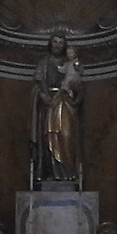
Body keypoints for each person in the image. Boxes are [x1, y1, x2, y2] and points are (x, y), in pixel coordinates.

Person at [34, 30, 83, 184]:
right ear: (50, 44)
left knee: (66, 136)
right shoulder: (43, 63)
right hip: (48, 104)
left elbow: (79, 85)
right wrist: (42, 95)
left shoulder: (69, 62)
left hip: (65, 103)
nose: (57, 45)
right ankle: (50, 172)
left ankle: (68, 172)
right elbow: (37, 84)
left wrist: (74, 89)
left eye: (61, 42)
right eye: (55, 42)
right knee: (49, 136)